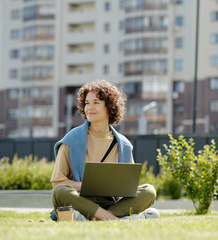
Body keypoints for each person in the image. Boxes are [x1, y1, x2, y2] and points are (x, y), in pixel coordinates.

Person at [50, 79, 159, 221]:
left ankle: (92, 218)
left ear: (109, 106)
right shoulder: (72, 140)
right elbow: (57, 183)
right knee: (60, 192)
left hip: (111, 204)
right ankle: (117, 219)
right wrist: (90, 187)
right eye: (87, 103)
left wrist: (116, 188)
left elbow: (128, 187)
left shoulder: (124, 145)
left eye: (96, 103)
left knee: (149, 191)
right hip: (81, 201)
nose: (89, 108)